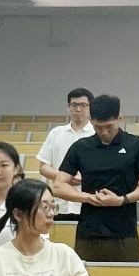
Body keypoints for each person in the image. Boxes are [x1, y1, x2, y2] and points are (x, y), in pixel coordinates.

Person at [51, 93, 139, 264]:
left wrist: (122, 200)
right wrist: (88, 197)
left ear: (119, 118)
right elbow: (58, 186)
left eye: (109, 126)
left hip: (124, 232)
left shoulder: (136, 145)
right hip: (88, 232)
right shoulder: (81, 147)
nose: (104, 132)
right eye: (98, 127)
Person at [36, 87, 93, 222]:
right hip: (58, 203)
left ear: (91, 107)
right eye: (74, 105)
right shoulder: (56, 133)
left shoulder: (97, 134)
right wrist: (64, 177)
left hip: (88, 203)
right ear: (68, 107)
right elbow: (43, 167)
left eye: (83, 105)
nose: (78, 109)